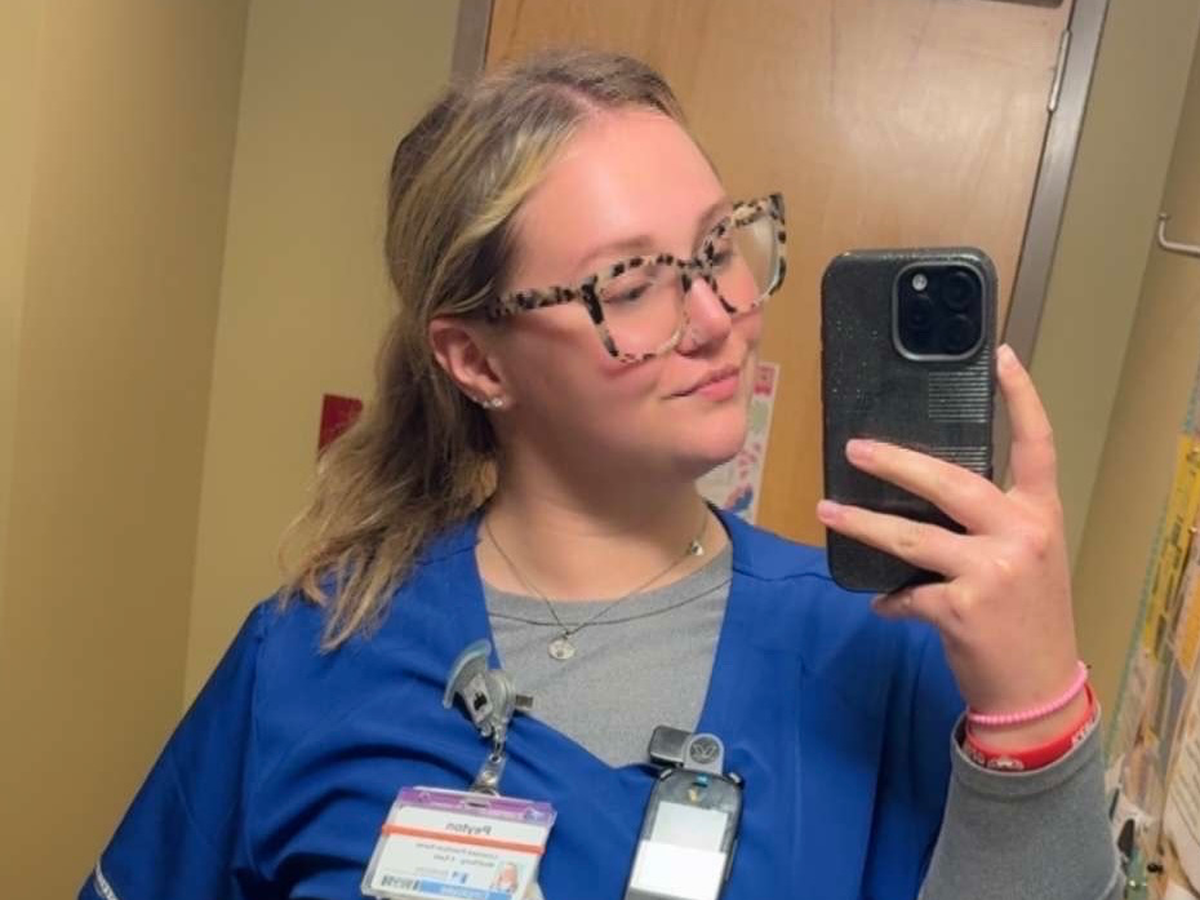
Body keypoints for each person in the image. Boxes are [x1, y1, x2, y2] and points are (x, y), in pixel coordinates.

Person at [80, 49, 1120, 899]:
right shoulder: (314, 655)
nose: (718, 316)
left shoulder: (879, 645)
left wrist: (1037, 712)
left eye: (719, 246)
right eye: (628, 284)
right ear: (478, 361)